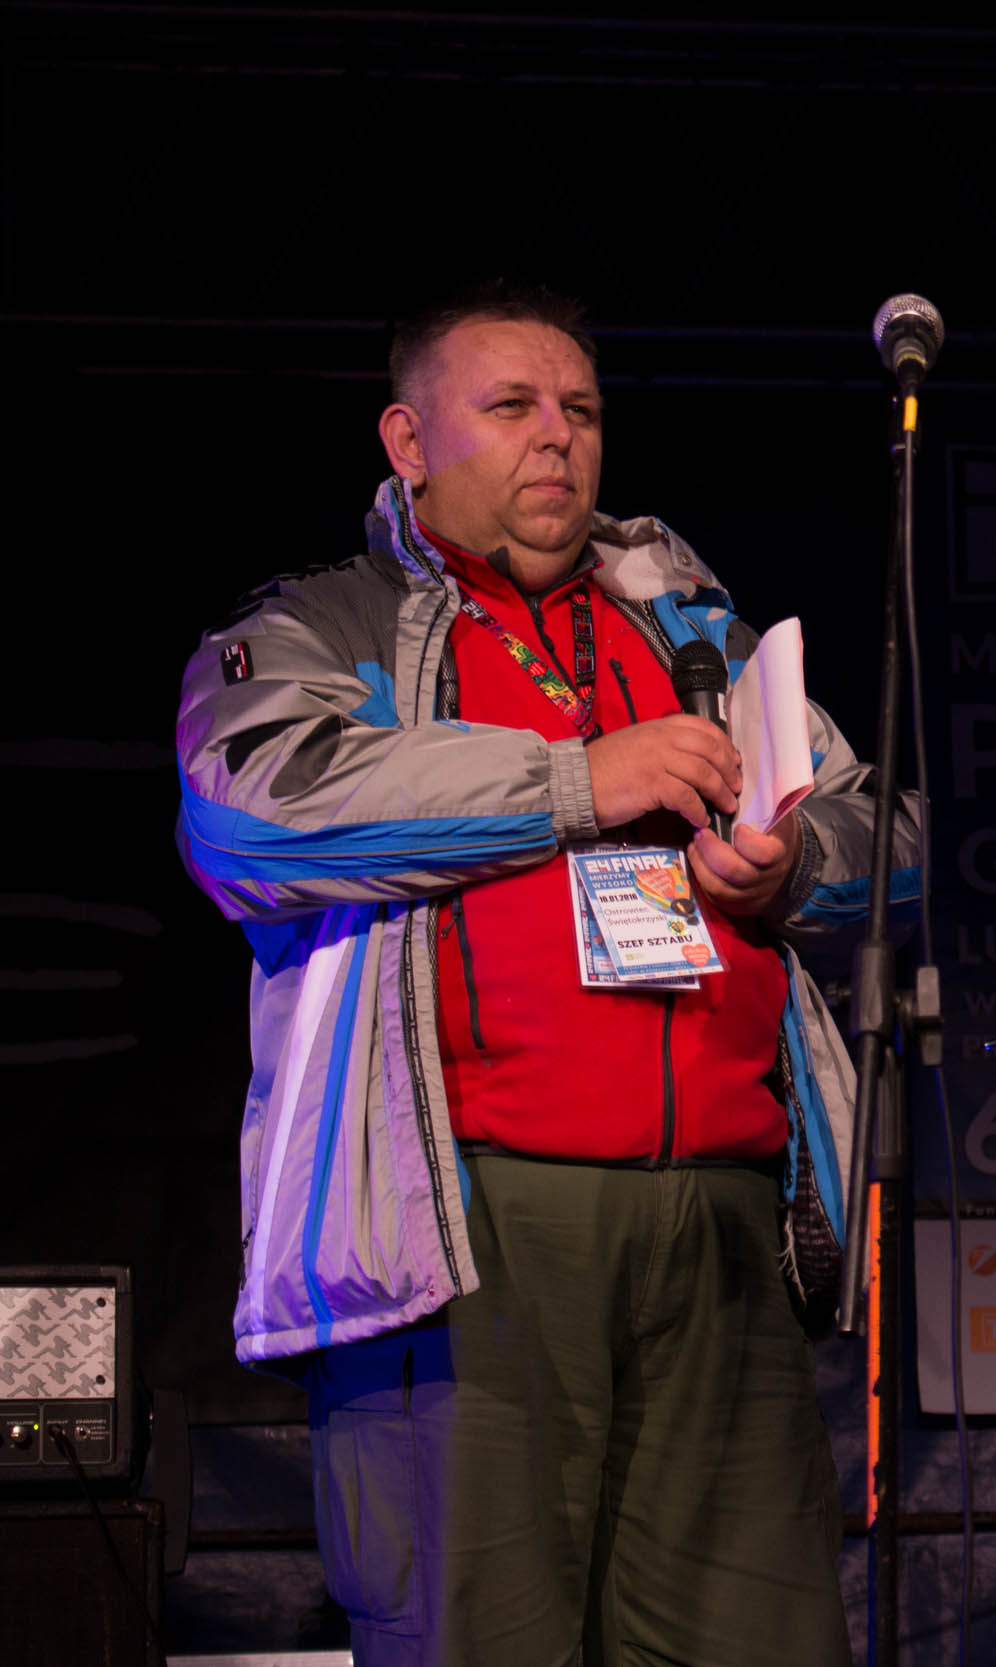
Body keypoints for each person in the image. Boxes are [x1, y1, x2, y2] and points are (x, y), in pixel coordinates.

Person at [174, 281, 914, 1666]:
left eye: (579, 408)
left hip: (725, 1224)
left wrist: (792, 864)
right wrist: (579, 778)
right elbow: (248, 811)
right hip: (470, 1231)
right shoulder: (327, 622)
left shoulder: (694, 633)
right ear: (408, 441)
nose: (557, 436)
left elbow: (899, 841)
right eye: (510, 405)